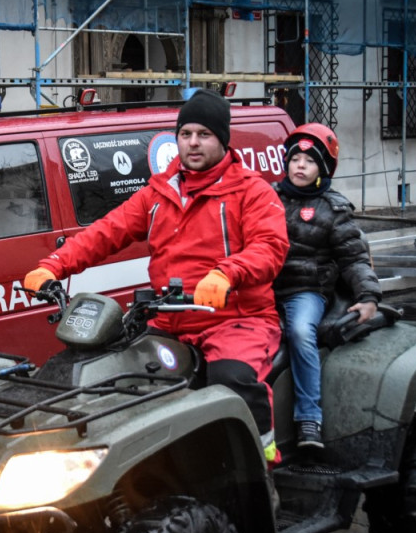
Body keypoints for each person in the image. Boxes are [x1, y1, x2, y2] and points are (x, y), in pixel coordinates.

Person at [24, 88, 290, 464]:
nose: (193, 143)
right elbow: (107, 231)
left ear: (223, 140)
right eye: (186, 134)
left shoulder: (252, 192)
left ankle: (259, 463)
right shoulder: (159, 192)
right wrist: (53, 265)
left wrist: (227, 274)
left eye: (204, 135)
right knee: (115, 376)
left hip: (235, 320)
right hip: (168, 321)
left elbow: (270, 247)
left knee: (232, 380)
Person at [273, 123, 381, 449]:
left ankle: (309, 418)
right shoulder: (267, 198)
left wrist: (369, 296)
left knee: (300, 332)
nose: (300, 166)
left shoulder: (334, 209)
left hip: (305, 291)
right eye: (295, 159)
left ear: (322, 168)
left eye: (309, 160)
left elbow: (354, 259)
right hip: (263, 287)